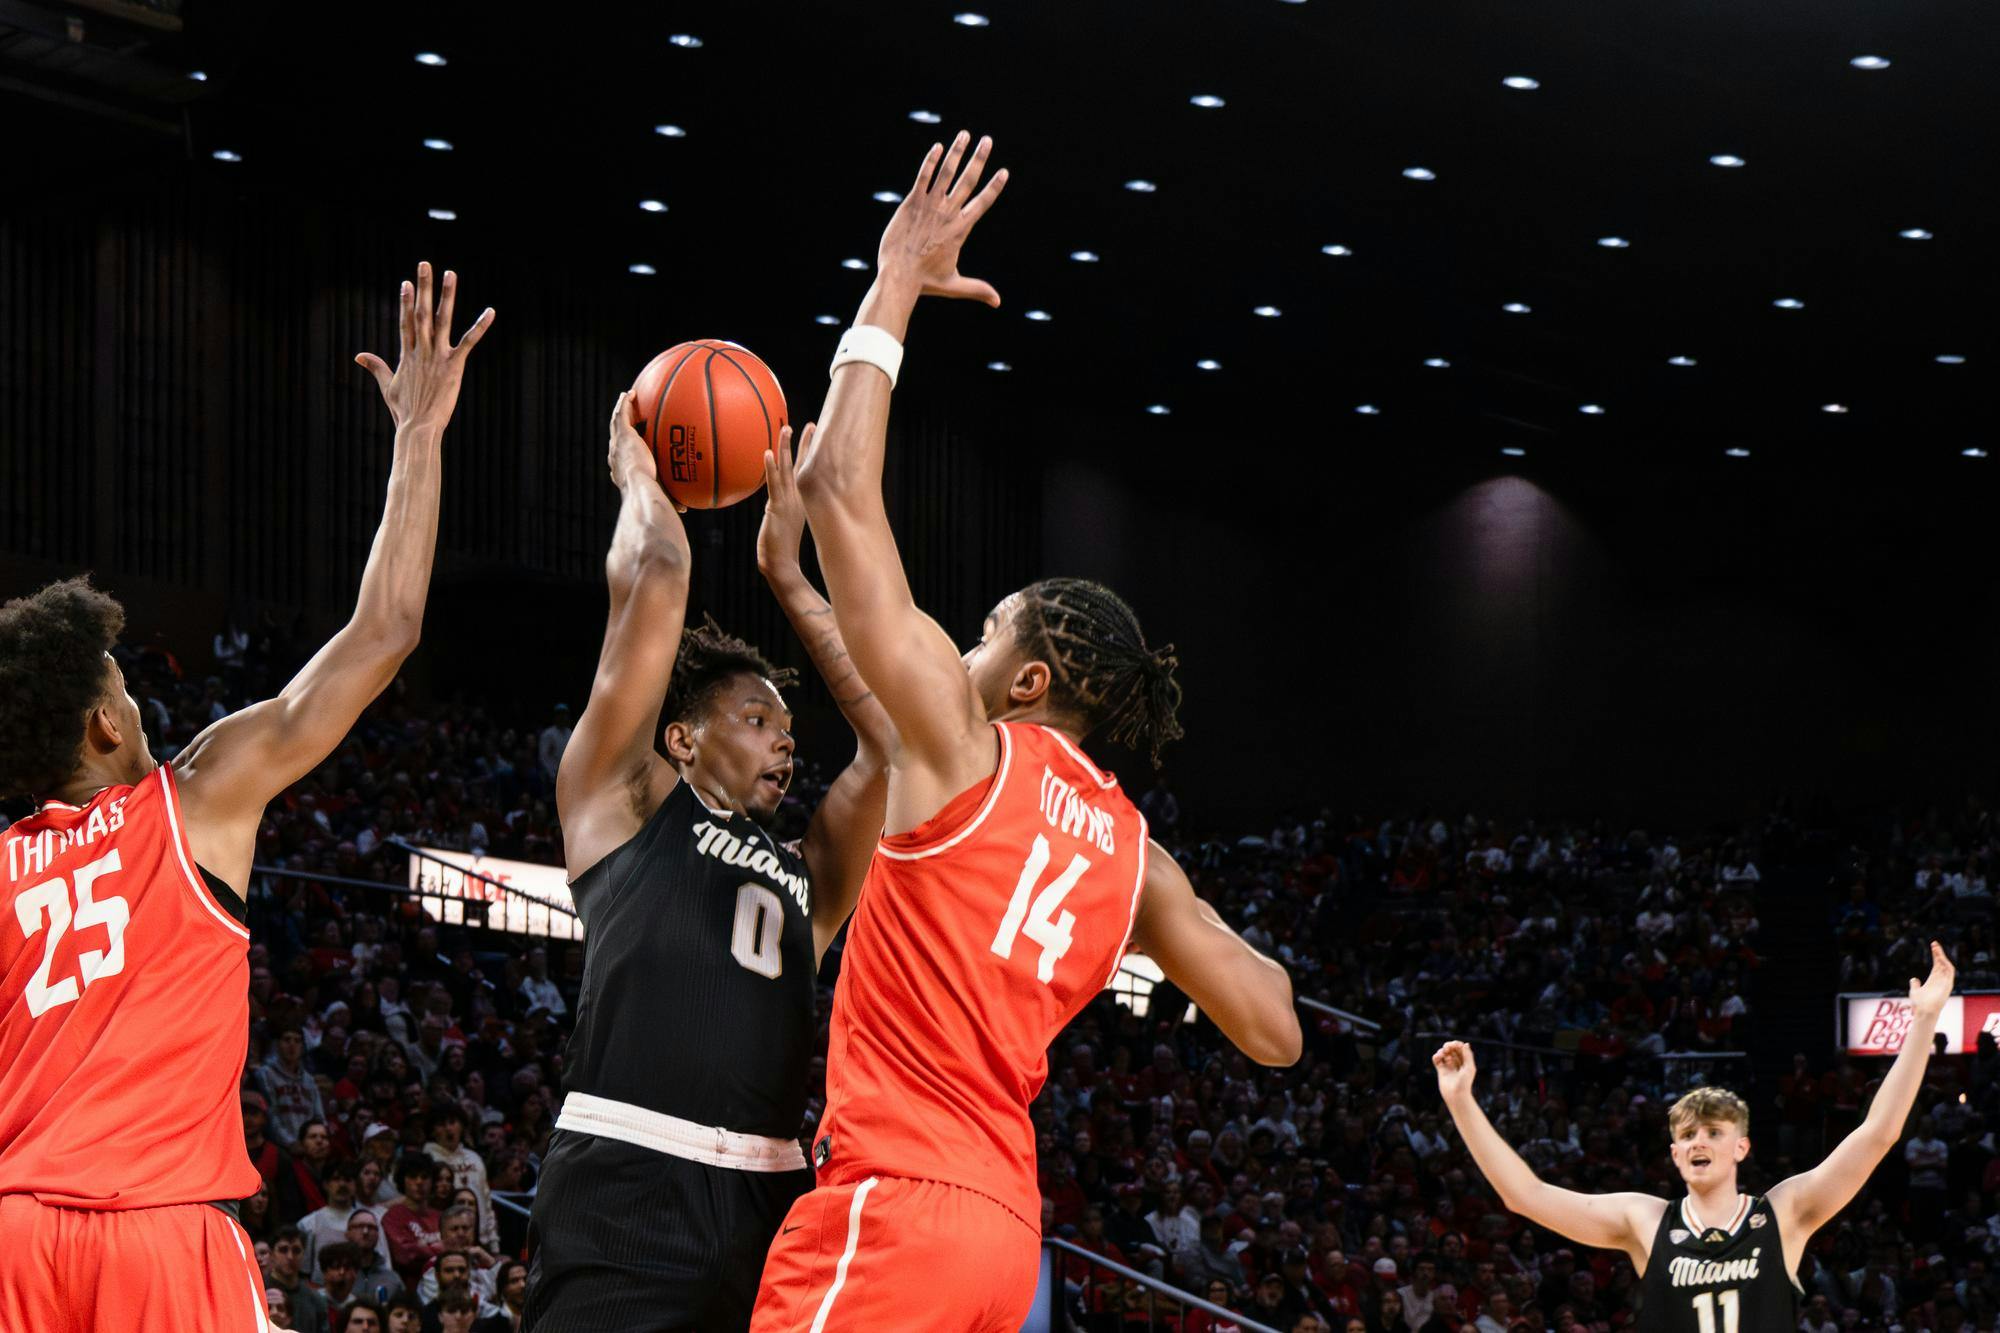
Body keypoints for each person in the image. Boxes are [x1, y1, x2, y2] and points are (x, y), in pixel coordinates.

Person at [749, 131, 1299, 1332]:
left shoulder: (960, 743)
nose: (968, 641)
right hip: (1007, 1238)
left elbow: (842, 488)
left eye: (990, 628)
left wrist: (892, 277)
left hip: (890, 1199)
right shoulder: (1133, 853)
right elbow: (1273, 1027)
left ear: (1027, 676)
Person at [0, 261, 491, 1331]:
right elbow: (384, 630)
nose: (140, 702)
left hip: (14, 1237)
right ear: (102, 724)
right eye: (128, 687)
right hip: (160, 1232)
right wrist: (417, 436)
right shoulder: (196, 794)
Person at [521, 384, 892, 1333]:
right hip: (628, 1183)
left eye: (785, 723)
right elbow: (657, 577)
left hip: (770, 1201)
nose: (786, 741)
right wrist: (641, 479)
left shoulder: (807, 873)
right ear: (681, 739)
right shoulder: (625, 799)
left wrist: (786, 571)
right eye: (758, 718)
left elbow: (894, 744)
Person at [1432, 942, 1957, 1333]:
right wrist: (1460, 1101)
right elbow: (1525, 1197)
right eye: (1688, 1135)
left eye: (1713, 1131)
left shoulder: (1785, 1211)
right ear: (1675, 1154)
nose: (1699, 1141)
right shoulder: (1644, 1220)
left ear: (1741, 1147)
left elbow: (1879, 1132)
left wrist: (1924, 1021)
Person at [266, 1225, 333, 1333]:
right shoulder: (257, 1292)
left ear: (303, 1254)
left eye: (296, 1250)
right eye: (283, 1250)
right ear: (272, 1254)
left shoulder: (316, 1300)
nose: (290, 1256)